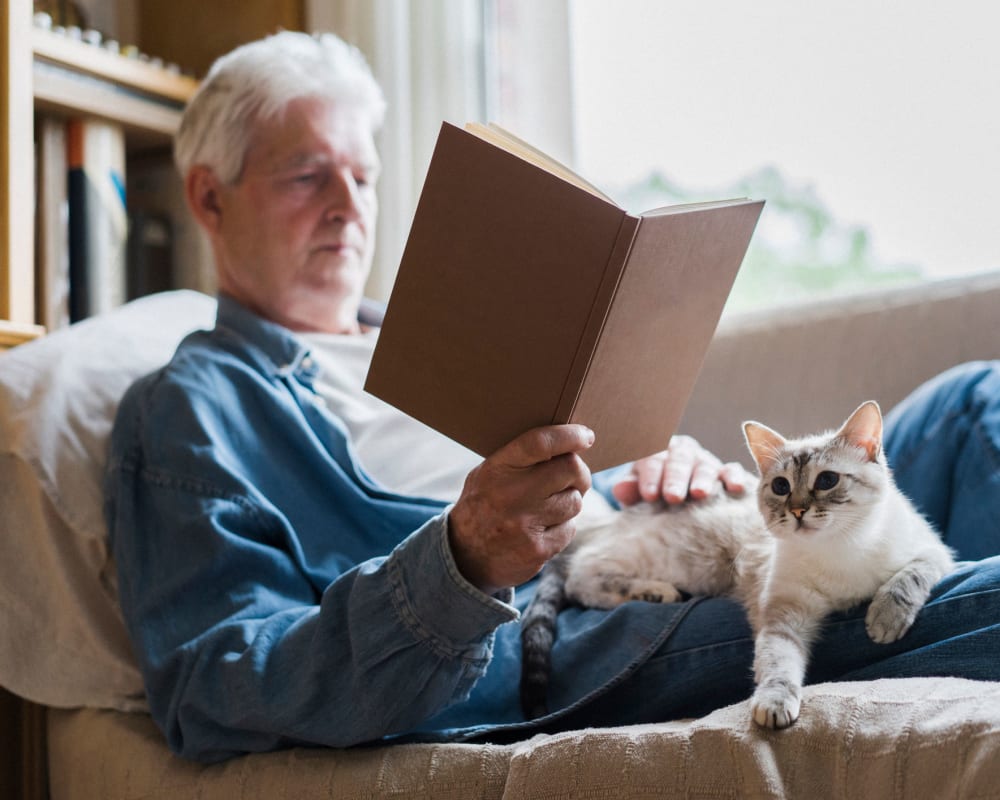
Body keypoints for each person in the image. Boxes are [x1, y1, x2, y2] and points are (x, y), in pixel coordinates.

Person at [105, 30, 1000, 764]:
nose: (348, 205)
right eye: (307, 176)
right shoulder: (193, 412)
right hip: (576, 624)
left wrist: (658, 466)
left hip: (679, 533)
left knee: (972, 403)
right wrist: (460, 560)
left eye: (364, 177)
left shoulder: (440, 338)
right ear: (209, 199)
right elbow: (216, 688)